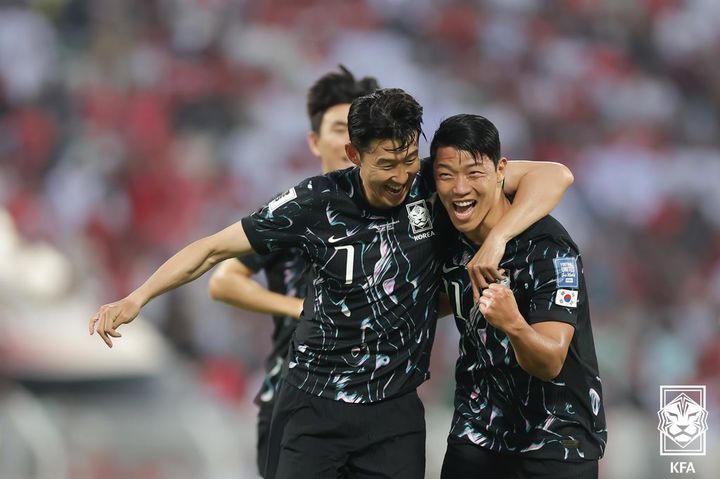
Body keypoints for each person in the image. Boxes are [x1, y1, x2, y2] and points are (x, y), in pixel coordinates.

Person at [89, 88, 574, 479]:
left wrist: (497, 242)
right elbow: (213, 249)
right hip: (314, 404)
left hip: (395, 413)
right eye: (386, 164)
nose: (402, 176)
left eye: (408, 159)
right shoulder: (314, 202)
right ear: (352, 154)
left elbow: (554, 176)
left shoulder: (436, 182)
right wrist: (138, 297)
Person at [207, 65, 379, 477]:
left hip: (374, 396)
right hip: (294, 388)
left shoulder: (395, 217)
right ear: (314, 142)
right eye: (340, 128)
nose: (350, 140)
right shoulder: (291, 213)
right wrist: (298, 308)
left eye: (360, 129)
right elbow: (223, 280)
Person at [431, 114, 606, 479]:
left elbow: (550, 361)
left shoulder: (550, 249)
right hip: (476, 436)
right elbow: (448, 297)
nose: (459, 188)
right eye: (446, 176)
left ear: (501, 171)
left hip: (555, 442)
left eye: (474, 174)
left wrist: (513, 323)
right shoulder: (448, 231)